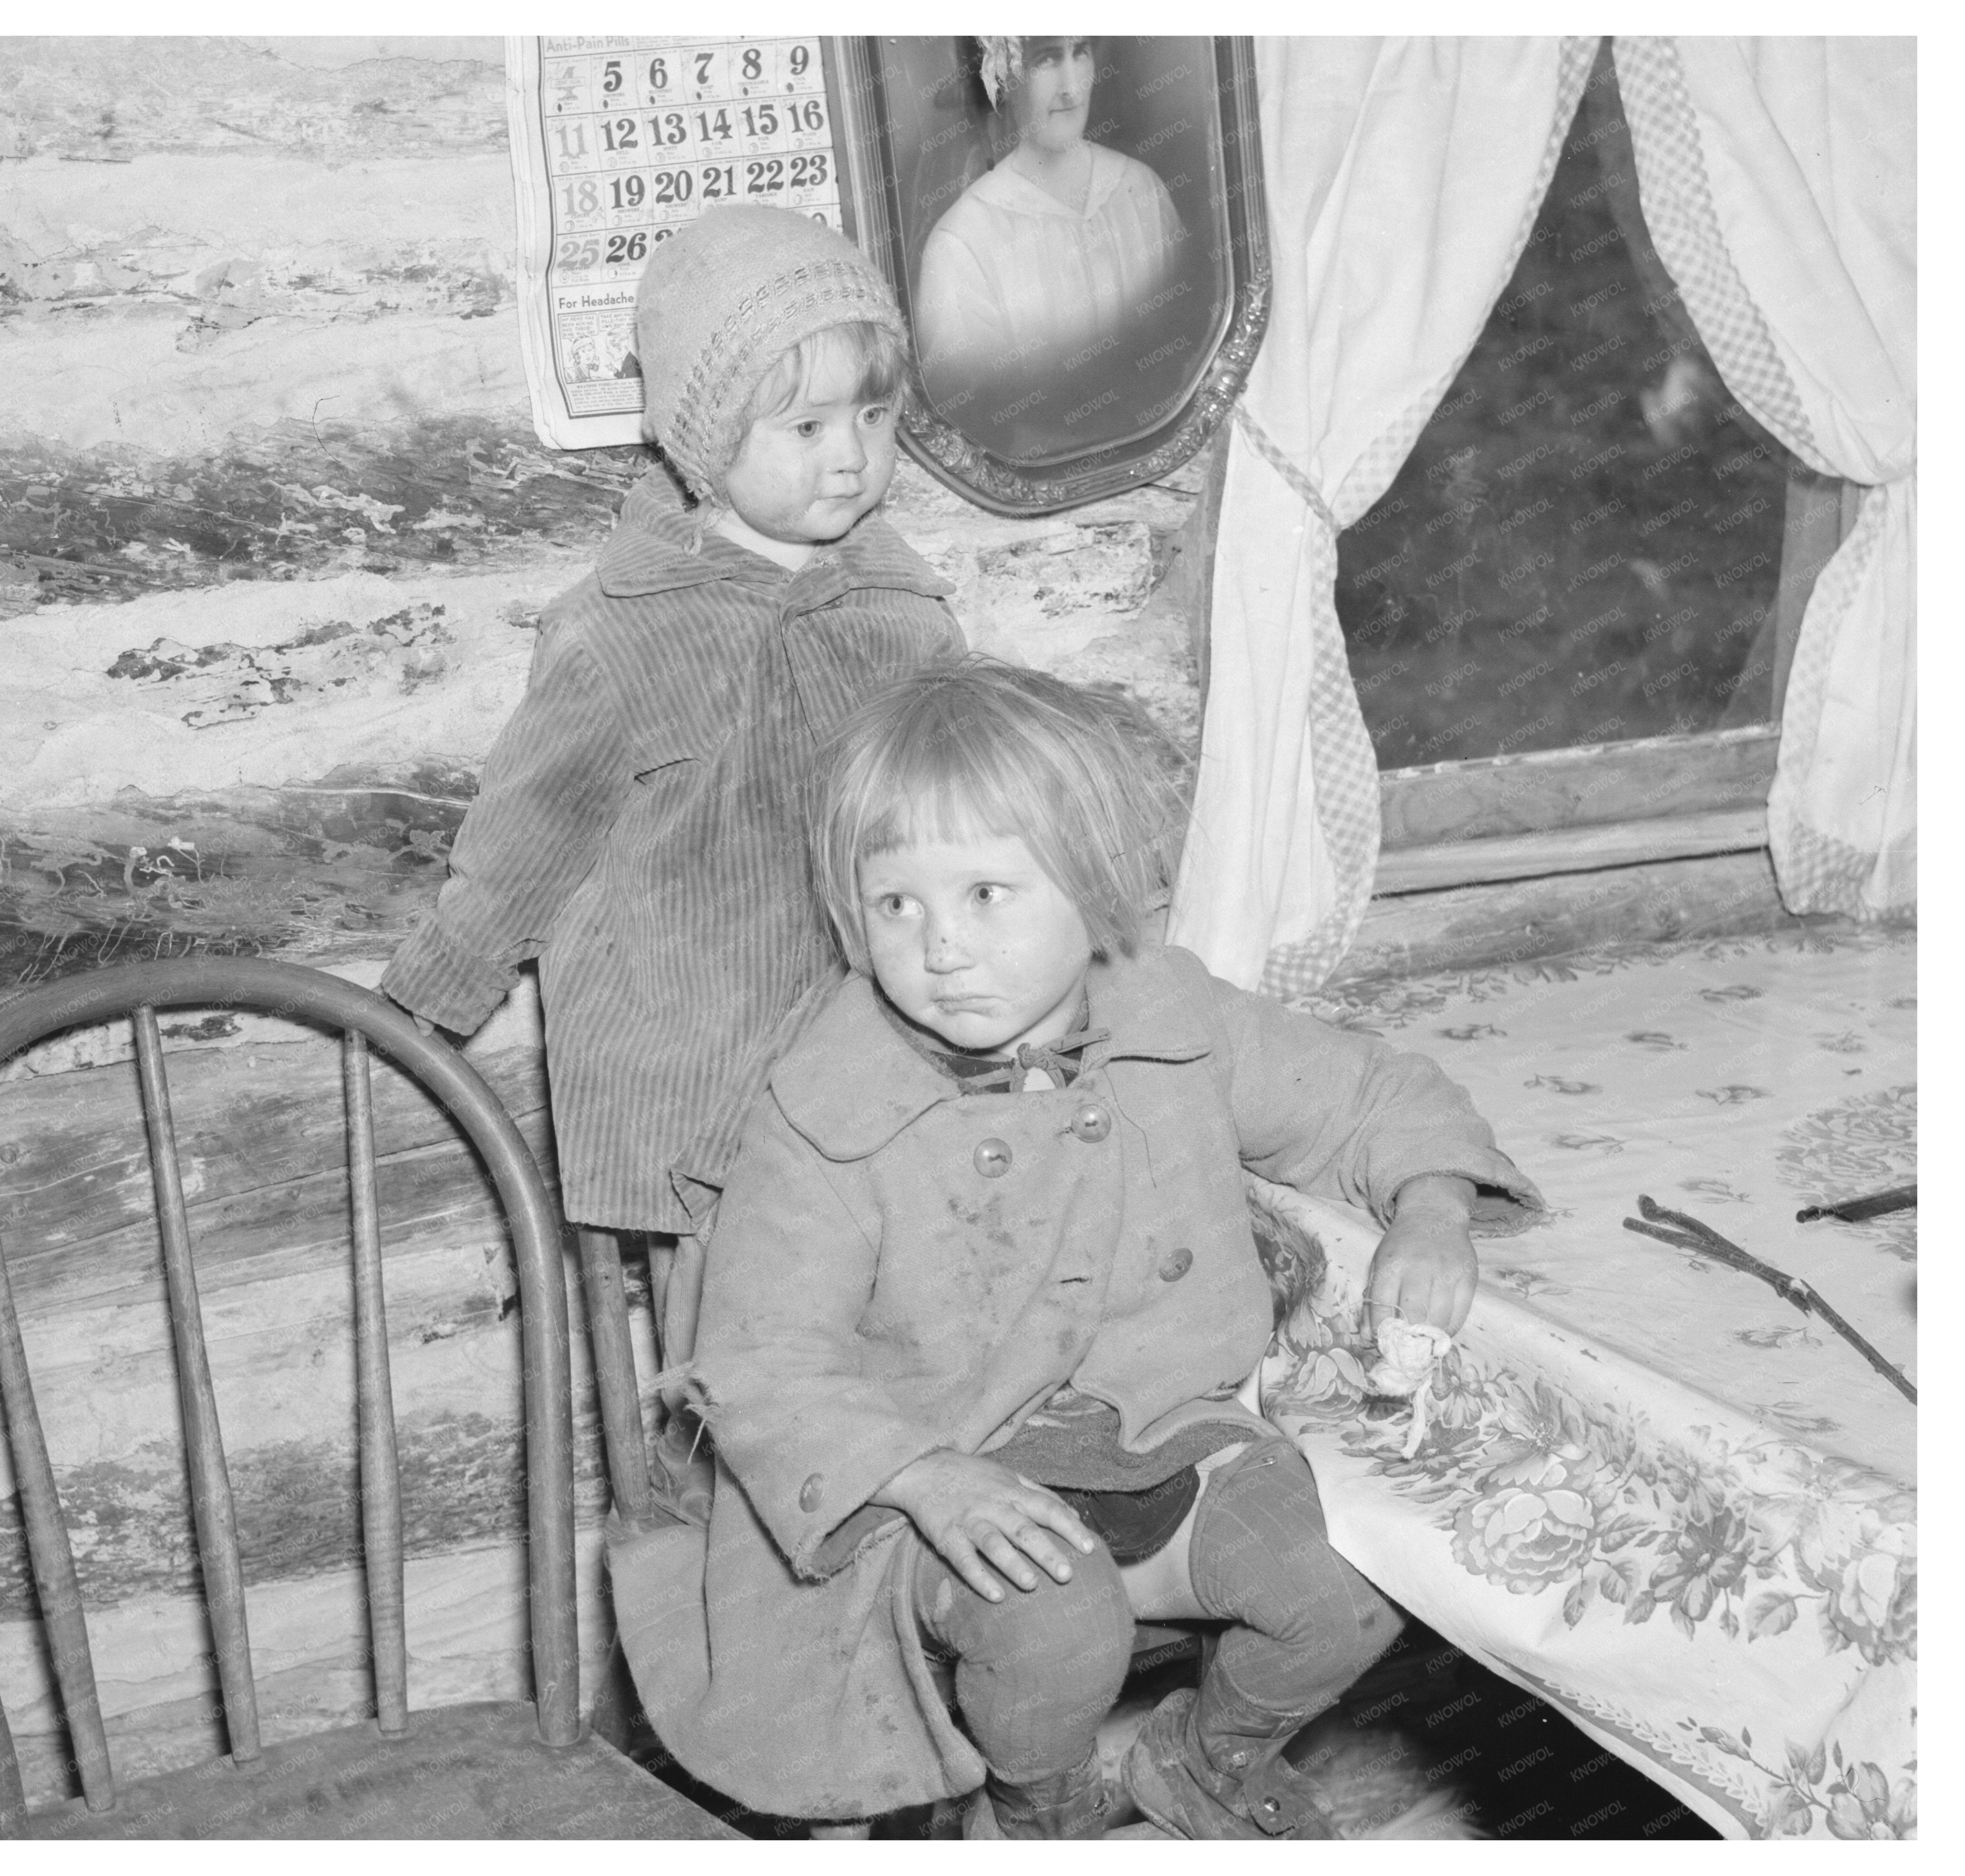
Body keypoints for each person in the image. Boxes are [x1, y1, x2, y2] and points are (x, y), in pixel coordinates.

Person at [607, 659, 1541, 1838]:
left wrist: (1433, 1202)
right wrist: (925, 1475)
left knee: (1358, 1583)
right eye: (896, 902)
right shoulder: (829, 1109)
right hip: (931, 1470)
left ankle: (1204, 1753)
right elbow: (760, 1359)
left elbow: (1363, 1091)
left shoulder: (1172, 1016)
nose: (940, 945)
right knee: (1055, 1622)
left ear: (1093, 886)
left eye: (988, 892)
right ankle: (1032, 1805)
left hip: (1162, 1431)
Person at [381, 206, 964, 1475]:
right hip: (700, 1098)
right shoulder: (623, 629)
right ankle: (745, 1620)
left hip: (888, 1079)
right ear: (706, 437)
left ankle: (883, 1583)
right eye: (804, 426)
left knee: (901, 1372)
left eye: (873, 416)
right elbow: (532, 824)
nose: (849, 457)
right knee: (745, 1398)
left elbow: (975, 797)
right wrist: (439, 991)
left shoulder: (907, 614)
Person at [914, 36, 1187, 399]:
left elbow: (1184, 350)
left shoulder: (1141, 189)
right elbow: (977, 414)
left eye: (1081, 52)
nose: (1071, 89)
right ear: (1003, 76)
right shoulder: (962, 243)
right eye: (1046, 60)